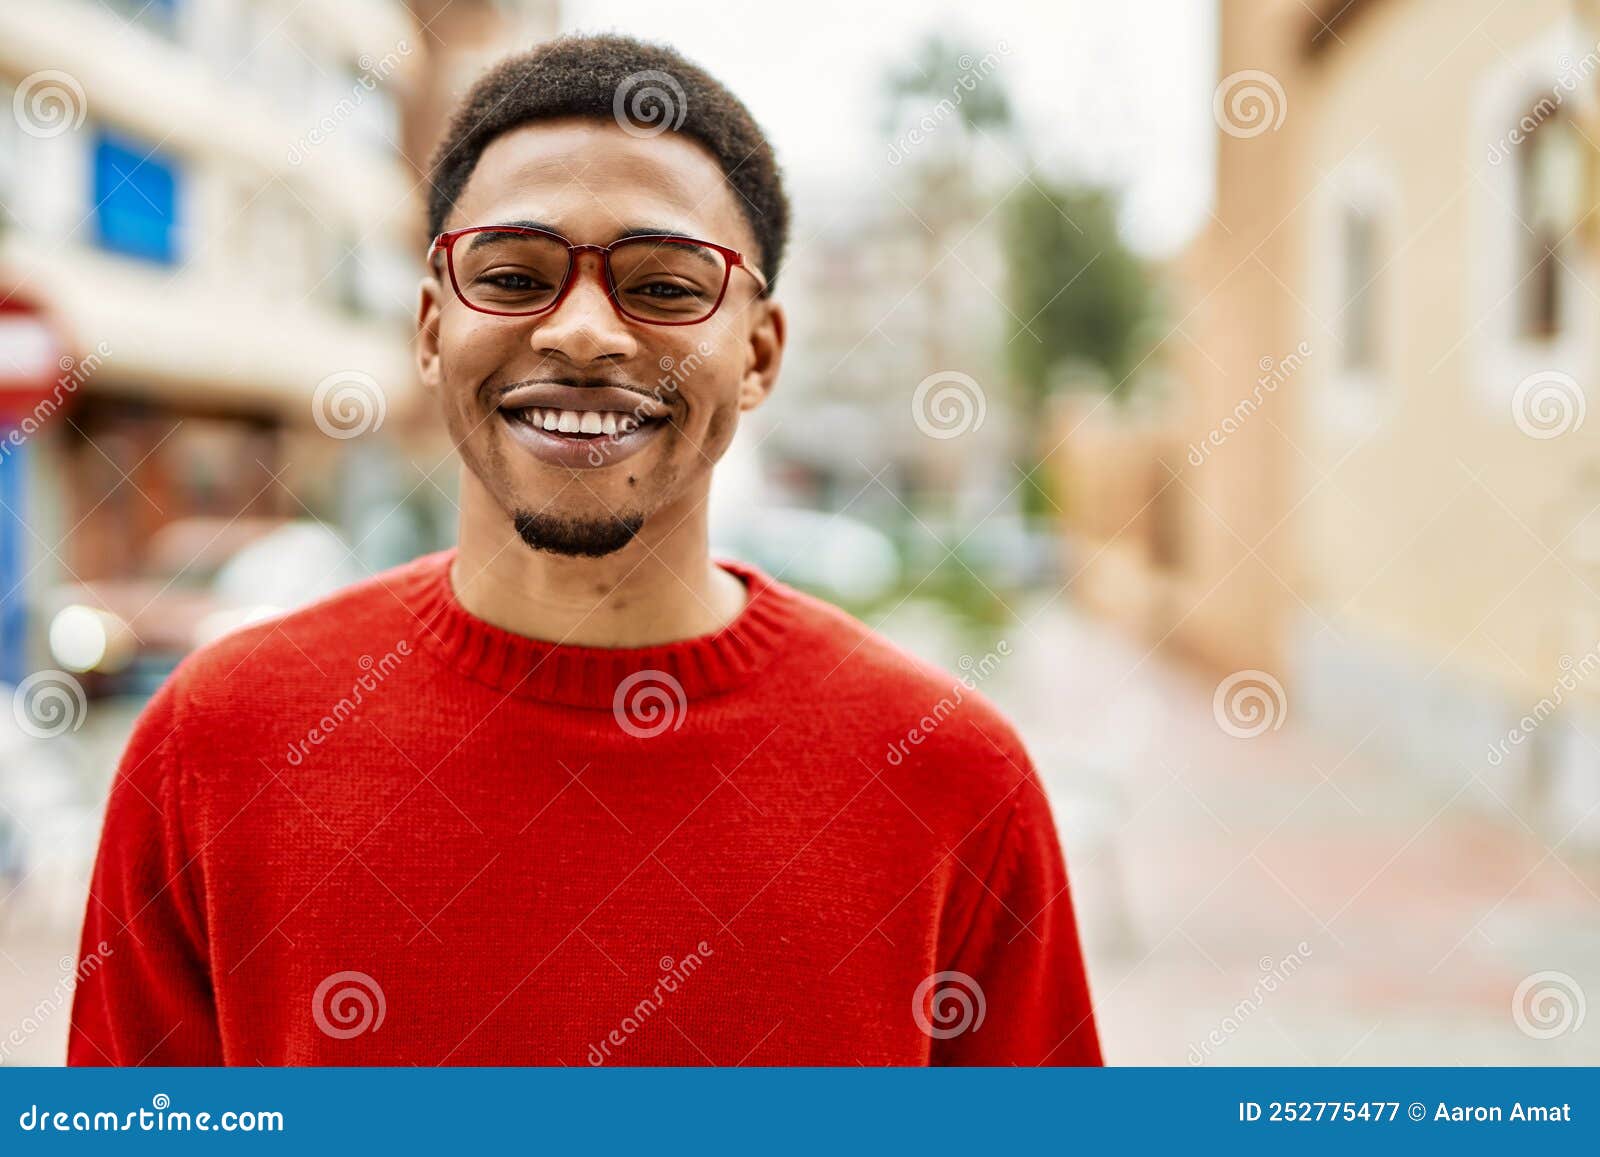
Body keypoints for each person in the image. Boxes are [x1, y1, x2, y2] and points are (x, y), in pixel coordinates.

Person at [68, 33, 1102, 1066]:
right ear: (429, 330)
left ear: (758, 353)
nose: (582, 332)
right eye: (513, 275)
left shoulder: (951, 777)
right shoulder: (217, 747)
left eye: (665, 287)